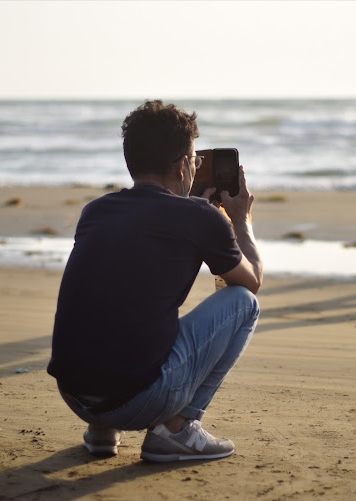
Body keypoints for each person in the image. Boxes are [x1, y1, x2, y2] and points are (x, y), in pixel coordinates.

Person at [48, 100, 263, 463]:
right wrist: (240, 219)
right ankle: (177, 429)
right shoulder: (200, 218)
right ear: (182, 166)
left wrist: (199, 211)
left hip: (76, 396)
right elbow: (251, 280)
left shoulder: (97, 210)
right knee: (244, 304)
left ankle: (102, 431)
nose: (196, 168)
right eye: (195, 161)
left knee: (120, 302)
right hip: (138, 402)